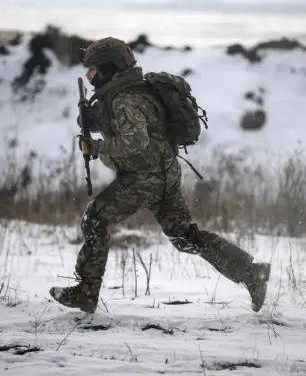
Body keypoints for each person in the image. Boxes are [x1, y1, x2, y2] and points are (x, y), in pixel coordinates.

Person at [49, 37, 271, 314]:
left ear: (108, 68)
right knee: (185, 237)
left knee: (96, 219)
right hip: (166, 174)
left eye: (93, 69)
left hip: (143, 179)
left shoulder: (125, 99)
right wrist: (91, 119)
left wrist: (97, 146)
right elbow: (140, 127)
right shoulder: (137, 91)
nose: (88, 75)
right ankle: (251, 273)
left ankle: (86, 292)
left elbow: (136, 141)